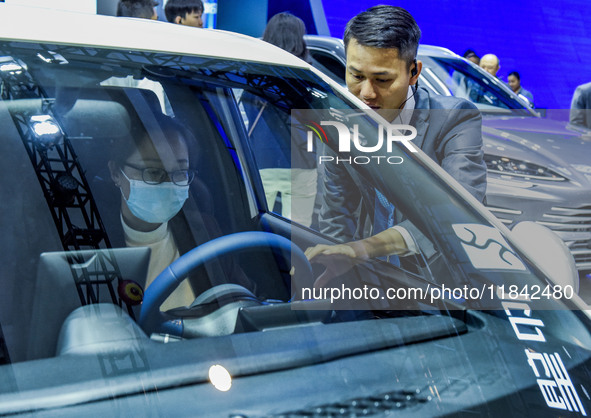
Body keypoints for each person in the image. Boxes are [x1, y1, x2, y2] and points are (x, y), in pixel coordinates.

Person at [306, 6, 486, 273]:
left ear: (414, 72)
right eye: (356, 76)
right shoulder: (342, 122)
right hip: (373, 280)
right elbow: (335, 212)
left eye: (382, 79)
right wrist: (333, 272)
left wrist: (366, 248)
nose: (366, 93)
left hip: (441, 280)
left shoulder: (454, 119)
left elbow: (459, 209)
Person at [108, 113, 252, 309]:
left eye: (180, 173)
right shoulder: (88, 242)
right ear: (116, 173)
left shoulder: (204, 229)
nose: (168, 184)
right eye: (152, 172)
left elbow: (245, 298)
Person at [244, 12, 317, 227]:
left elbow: (247, 114)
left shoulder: (254, 76)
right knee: (299, 232)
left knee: (255, 225)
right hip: (302, 162)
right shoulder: (309, 76)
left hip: (262, 159)